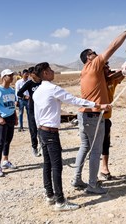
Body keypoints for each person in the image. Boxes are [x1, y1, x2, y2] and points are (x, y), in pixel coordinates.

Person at [33, 62, 111, 211]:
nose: (52, 71)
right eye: (49, 70)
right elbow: (75, 101)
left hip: (41, 131)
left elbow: (36, 113)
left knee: (47, 164)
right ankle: (60, 201)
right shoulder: (52, 89)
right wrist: (98, 105)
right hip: (50, 132)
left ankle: (50, 195)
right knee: (56, 166)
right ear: (44, 73)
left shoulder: (37, 91)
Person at [71, 27, 126, 194]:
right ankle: (93, 185)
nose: (96, 54)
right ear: (88, 58)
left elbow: (110, 78)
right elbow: (112, 47)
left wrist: (123, 72)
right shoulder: (93, 65)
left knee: (85, 147)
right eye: (93, 53)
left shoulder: (89, 71)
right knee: (96, 151)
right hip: (94, 116)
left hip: (84, 115)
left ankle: (76, 179)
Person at [0, 69, 19, 177]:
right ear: (3, 77)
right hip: (2, 119)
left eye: (12, 75)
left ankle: (5, 160)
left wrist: (15, 117)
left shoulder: (11, 90)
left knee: (8, 140)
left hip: (11, 118)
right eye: (9, 76)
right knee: (0, 142)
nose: (11, 77)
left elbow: (12, 105)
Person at [99, 62, 124, 180]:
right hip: (96, 118)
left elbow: (121, 75)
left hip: (106, 118)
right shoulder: (99, 81)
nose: (108, 69)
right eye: (105, 68)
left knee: (105, 144)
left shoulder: (111, 80)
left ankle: (104, 169)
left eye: (108, 67)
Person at [17, 66, 42, 157]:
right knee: (33, 130)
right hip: (32, 109)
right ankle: (34, 147)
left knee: (42, 129)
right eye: (34, 73)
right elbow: (19, 93)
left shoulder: (42, 83)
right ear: (31, 74)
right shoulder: (29, 84)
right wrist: (26, 97)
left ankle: (43, 146)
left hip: (42, 110)